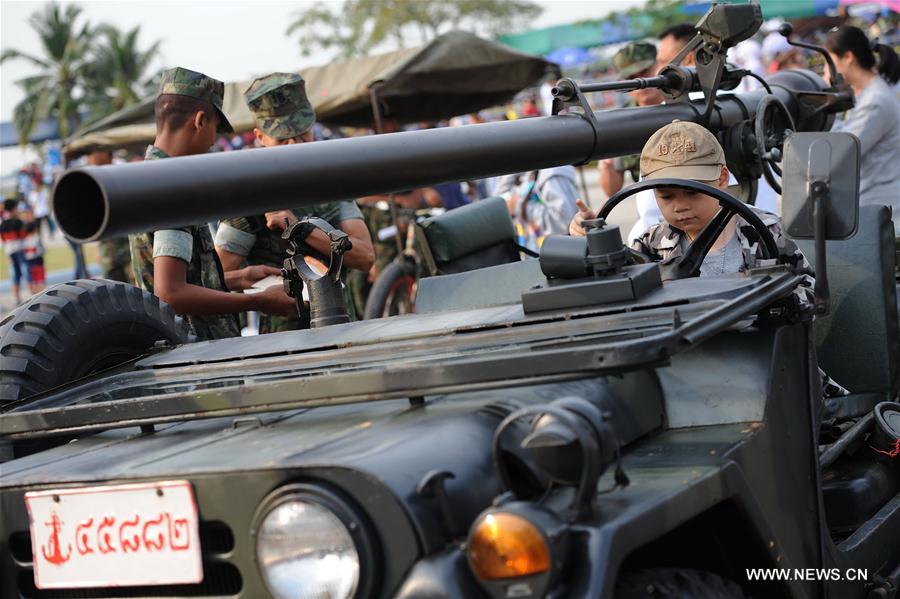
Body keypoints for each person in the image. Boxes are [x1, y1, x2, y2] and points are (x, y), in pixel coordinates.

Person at [129, 66, 295, 342]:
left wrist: (240, 278)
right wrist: (258, 302)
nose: (213, 142)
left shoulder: (148, 175)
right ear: (200, 120)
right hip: (195, 357)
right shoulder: (173, 186)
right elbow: (171, 294)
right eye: (216, 130)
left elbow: (174, 282)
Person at [214, 73, 375, 333]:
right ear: (260, 137)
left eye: (302, 135)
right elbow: (215, 279)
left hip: (342, 328)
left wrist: (302, 229)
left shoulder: (328, 182)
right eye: (282, 138)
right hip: (285, 344)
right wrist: (254, 285)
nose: (294, 145)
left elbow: (365, 256)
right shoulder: (253, 196)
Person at [825, 25, 900, 233]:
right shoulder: (868, 95)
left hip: (883, 212)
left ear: (847, 57)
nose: (826, 70)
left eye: (829, 61)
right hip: (876, 207)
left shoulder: (875, 101)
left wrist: (830, 99)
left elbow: (842, 151)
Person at [88, 149, 135, 285]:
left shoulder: (122, 175)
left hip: (128, 247)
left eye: (94, 151)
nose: (91, 157)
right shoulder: (93, 181)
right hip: (108, 251)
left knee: (136, 292)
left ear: (106, 154)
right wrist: (97, 248)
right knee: (113, 293)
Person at [1, 198, 27, 305]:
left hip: (9, 251)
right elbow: (23, 235)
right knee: (26, 271)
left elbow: (3, 239)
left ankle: (16, 297)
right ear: (14, 208)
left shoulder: (2, 224)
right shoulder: (18, 221)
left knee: (15, 274)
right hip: (20, 249)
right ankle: (33, 293)